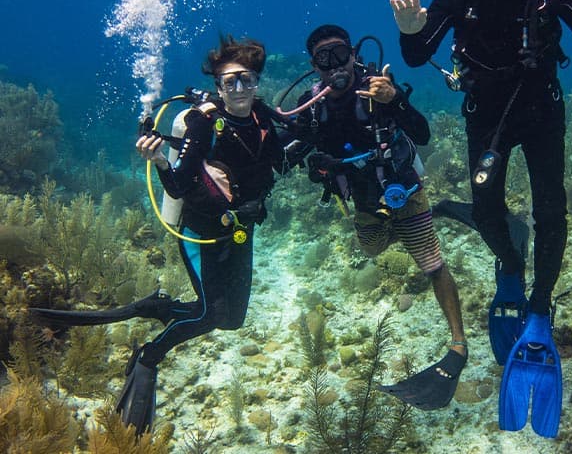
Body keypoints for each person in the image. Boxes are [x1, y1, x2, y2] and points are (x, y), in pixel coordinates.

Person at [389, 0, 572, 437]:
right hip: (486, 116)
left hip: (542, 111)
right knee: (487, 210)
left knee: (552, 209)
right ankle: (510, 270)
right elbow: (419, 56)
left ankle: (540, 309)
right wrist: (410, 27)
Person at [31, 36, 287, 435]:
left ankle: (154, 307)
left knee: (232, 320)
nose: (239, 90)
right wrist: (158, 162)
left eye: (247, 80)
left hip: (239, 233)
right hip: (200, 234)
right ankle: (149, 358)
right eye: (229, 82)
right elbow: (182, 186)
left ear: (257, 82)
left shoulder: (262, 119)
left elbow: (281, 159)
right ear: (218, 87)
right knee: (207, 314)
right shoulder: (203, 123)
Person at [290, 24, 467, 411]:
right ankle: (433, 216)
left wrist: (396, 100)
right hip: (367, 206)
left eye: (339, 53)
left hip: (405, 193)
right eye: (324, 58)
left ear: (353, 53)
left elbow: (423, 134)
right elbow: (284, 154)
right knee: (371, 252)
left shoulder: (378, 89)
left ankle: (458, 343)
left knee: (432, 265)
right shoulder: (311, 106)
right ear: (314, 66)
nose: (335, 65)